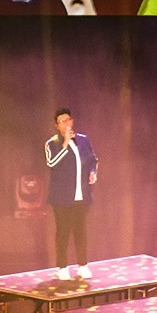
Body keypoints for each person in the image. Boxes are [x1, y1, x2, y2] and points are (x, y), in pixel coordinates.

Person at [44, 107, 100, 280]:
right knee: (63, 232)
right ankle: (62, 267)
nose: (66, 124)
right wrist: (65, 144)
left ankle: (82, 265)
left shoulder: (83, 140)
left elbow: (93, 159)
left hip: (81, 195)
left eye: (68, 120)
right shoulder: (52, 143)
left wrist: (93, 172)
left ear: (72, 121)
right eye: (62, 121)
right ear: (57, 126)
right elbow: (51, 163)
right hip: (61, 198)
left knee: (80, 231)